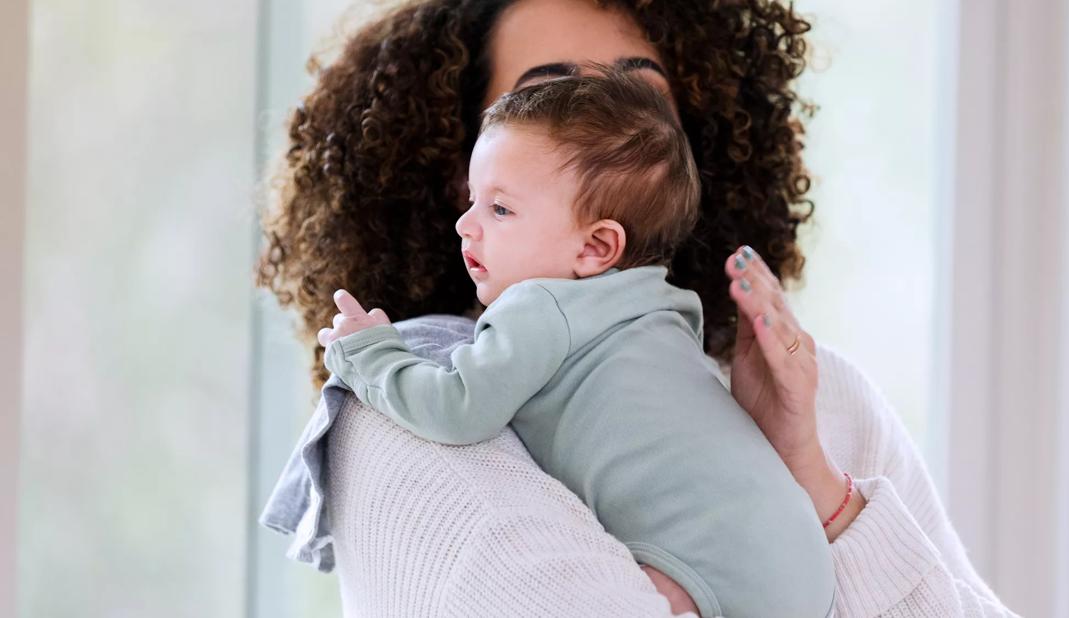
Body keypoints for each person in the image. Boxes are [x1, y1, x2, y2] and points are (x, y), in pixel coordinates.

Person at [255, 0, 1020, 615]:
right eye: (547, 99)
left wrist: (814, 479)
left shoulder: (823, 398)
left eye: (639, 96)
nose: (603, 123)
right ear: (456, 156)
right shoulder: (396, 415)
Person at [315, 71, 836, 618]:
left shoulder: (542, 305)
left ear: (596, 247)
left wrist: (371, 352)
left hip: (702, 567)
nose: (465, 225)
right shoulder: (666, 307)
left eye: (500, 209)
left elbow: (456, 408)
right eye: (473, 200)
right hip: (803, 558)